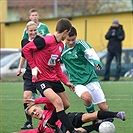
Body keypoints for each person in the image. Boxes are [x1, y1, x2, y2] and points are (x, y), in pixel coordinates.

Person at [22, 18, 80, 133]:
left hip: (54, 78)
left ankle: (51, 122)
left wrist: (65, 81)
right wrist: (33, 66)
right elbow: (25, 49)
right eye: (68, 34)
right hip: (41, 79)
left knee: (66, 104)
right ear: (65, 31)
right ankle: (72, 130)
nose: (67, 37)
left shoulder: (61, 46)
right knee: (58, 102)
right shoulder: (45, 41)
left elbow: (56, 65)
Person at [61, 27, 108, 115]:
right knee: (87, 98)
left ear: (76, 37)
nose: (71, 42)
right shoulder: (61, 49)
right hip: (76, 81)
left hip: (90, 78)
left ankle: (108, 120)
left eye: (73, 39)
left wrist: (97, 62)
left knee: (103, 108)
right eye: (68, 40)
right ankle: (93, 117)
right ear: (64, 38)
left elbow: (91, 53)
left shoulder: (81, 44)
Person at [17, 8, 50, 130]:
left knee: (48, 98)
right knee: (26, 96)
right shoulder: (24, 41)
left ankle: (48, 119)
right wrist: (20, 68)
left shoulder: (41, 41)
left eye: (35, 30)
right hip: (29, 72)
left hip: (41, 73)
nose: (33, 32)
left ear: (37, 30)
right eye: (30, 31)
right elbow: (23, 55)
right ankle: (29, 122)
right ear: (27, 31)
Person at [15, 97, 126, 133]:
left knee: (88, 117)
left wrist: (36, 101)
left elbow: (51, 99)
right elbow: (30, 131)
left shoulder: (48, 109)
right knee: (76, 131)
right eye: (33, 114)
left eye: (34, 110)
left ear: (38, 107)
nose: (35, 113)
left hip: (68, 118)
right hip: (63, 129)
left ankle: (117, 114)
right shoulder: (40, 126)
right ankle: (98, 126)